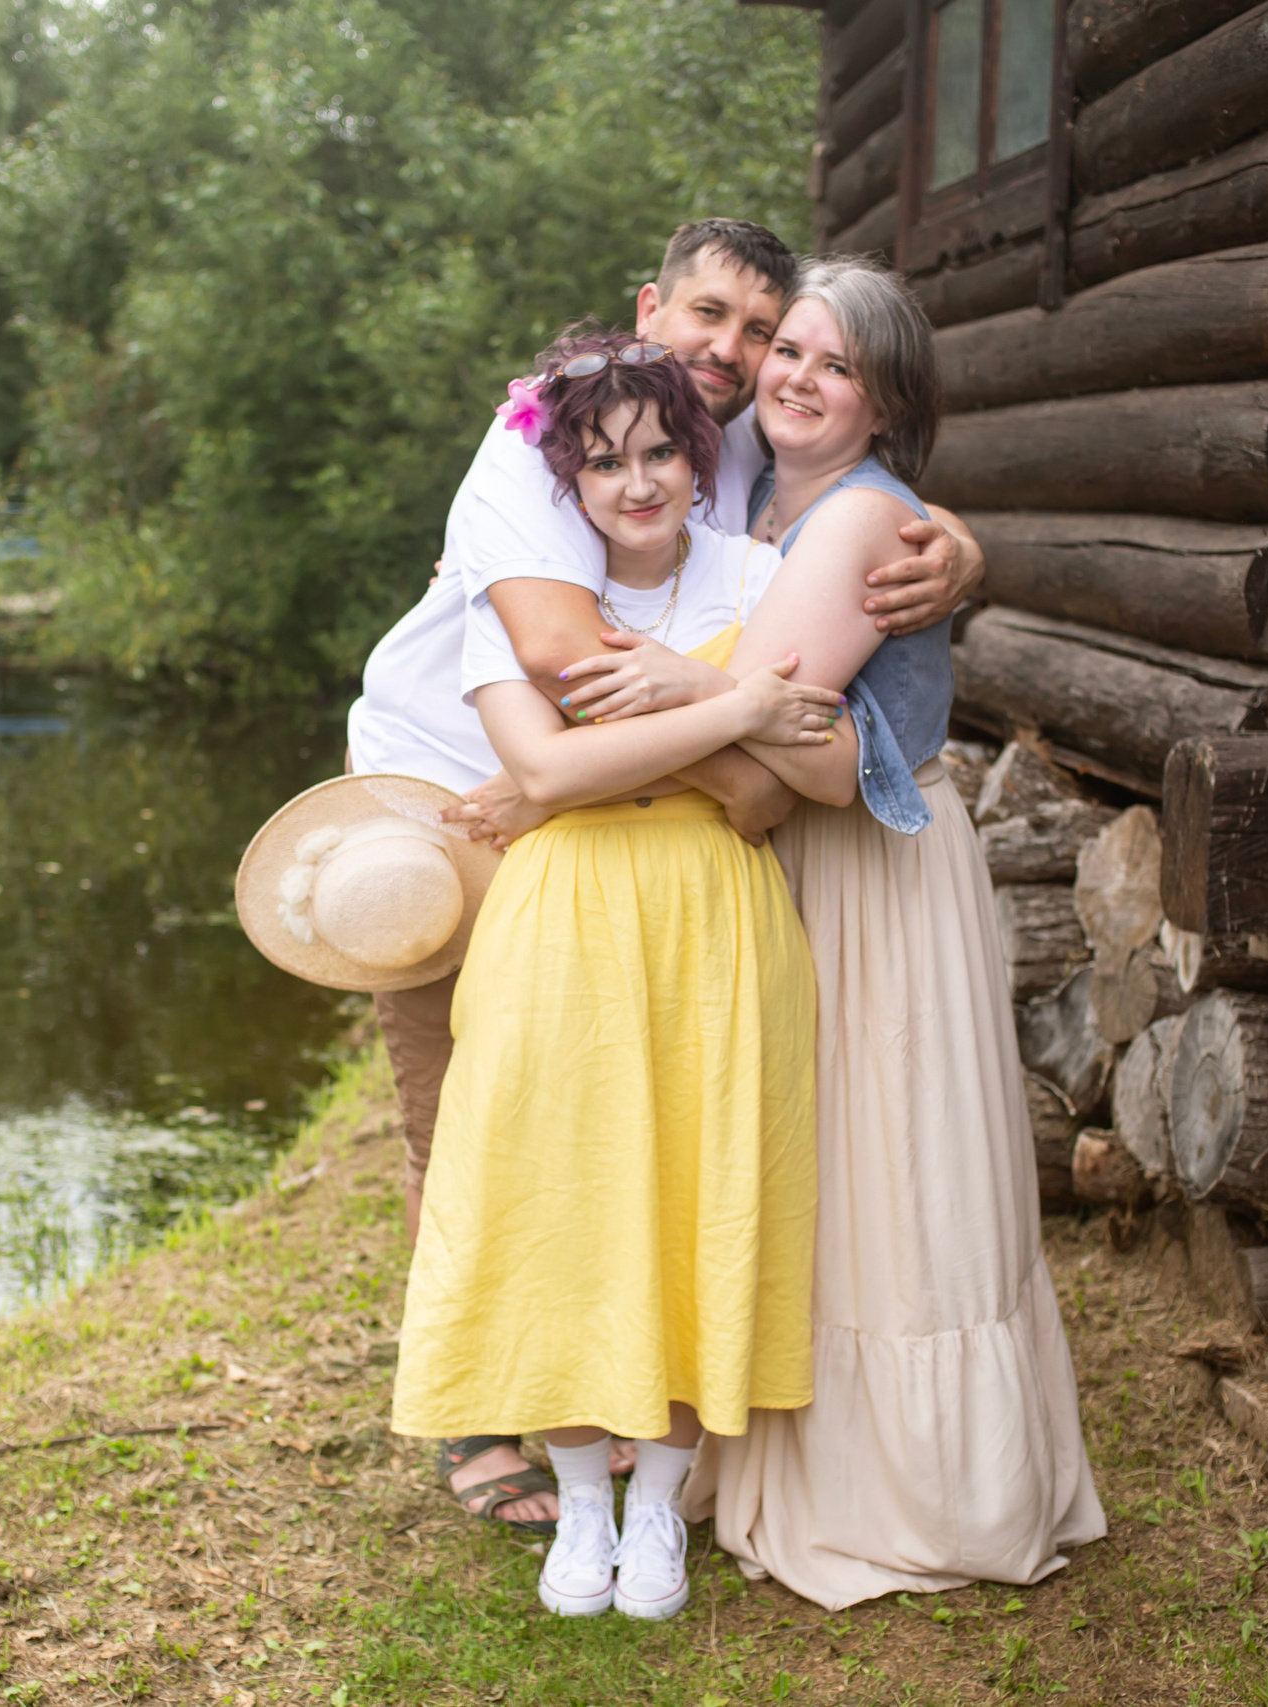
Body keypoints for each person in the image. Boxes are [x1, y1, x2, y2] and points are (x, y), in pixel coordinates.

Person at [342, 218, 987, 1534]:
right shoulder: (534, 440)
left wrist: (957, 543)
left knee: (615, 1114)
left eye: (761, 330)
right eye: (712, 316)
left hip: (606, 826)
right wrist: (736, 712)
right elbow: (569, 660)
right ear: (652, 304)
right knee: (463, 1109)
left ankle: (626, 1394)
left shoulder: (730, 432)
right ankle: (482, 1411)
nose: (737, 352)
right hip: (450, 789)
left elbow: (853, 487)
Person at [521, 256, 1107, 1608]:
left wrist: (678, 683)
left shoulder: (855, 523)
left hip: (869, 876)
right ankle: (753, 1450)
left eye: (836, 364)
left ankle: (906, 1482)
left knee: (886, 1169)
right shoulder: (739, 481)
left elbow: (761, 731)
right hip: (782, 858)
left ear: (887, 398)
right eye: (789, 347)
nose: (793, 374)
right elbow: (746, 704)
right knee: (801, 1165)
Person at [390, 330, 852, 1622]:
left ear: (697, 458)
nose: (638, 481)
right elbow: (538, 777)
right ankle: (582, 1494)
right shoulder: (515, 593)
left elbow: (768, 796)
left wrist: (634, 726)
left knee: (706, 1193)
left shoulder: (760, 574)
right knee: (563, 1199)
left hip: (716, 915)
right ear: (569, 483)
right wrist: (734, 703)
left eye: (660, 452)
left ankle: (660, 1504)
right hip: (560, 925)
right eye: (605, 463)